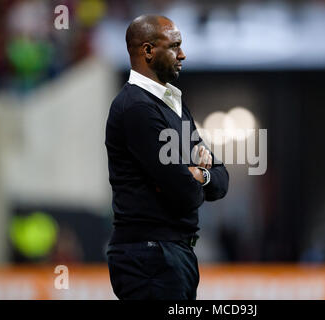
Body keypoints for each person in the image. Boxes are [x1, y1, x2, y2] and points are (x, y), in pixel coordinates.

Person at [104, 15, 229, 300]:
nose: (182, 54)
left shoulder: (173, 104)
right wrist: (192, 176)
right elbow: (185, 192)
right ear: (148, 51)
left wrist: (200, 174)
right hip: (149, 256)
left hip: (172, 254)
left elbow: (220, 178)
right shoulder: (136, 108)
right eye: (174, 46)